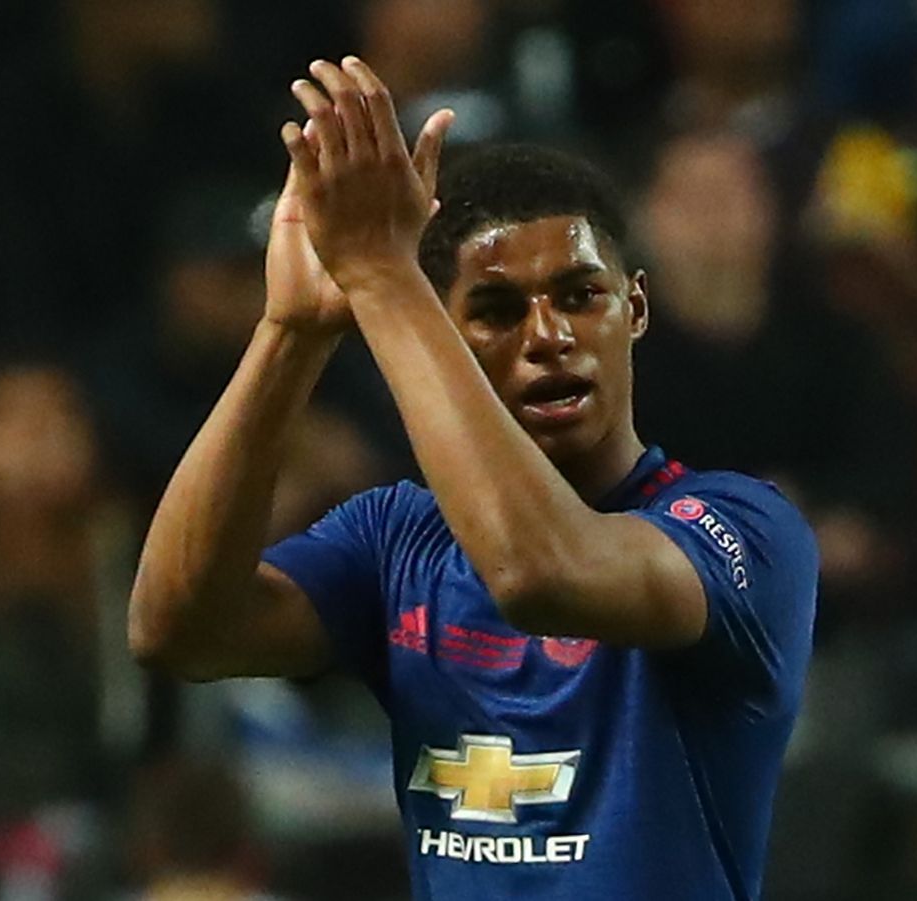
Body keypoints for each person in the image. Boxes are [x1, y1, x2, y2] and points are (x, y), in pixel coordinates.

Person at [130, 57, 818, 901]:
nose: (549, 335)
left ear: (635, 308)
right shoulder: (395, 539)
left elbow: (539, 573)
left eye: (580, 295)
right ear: (439, 336)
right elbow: (175, 629)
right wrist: (292, 330)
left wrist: (384, 275)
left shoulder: (743, 527)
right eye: (496, 310)